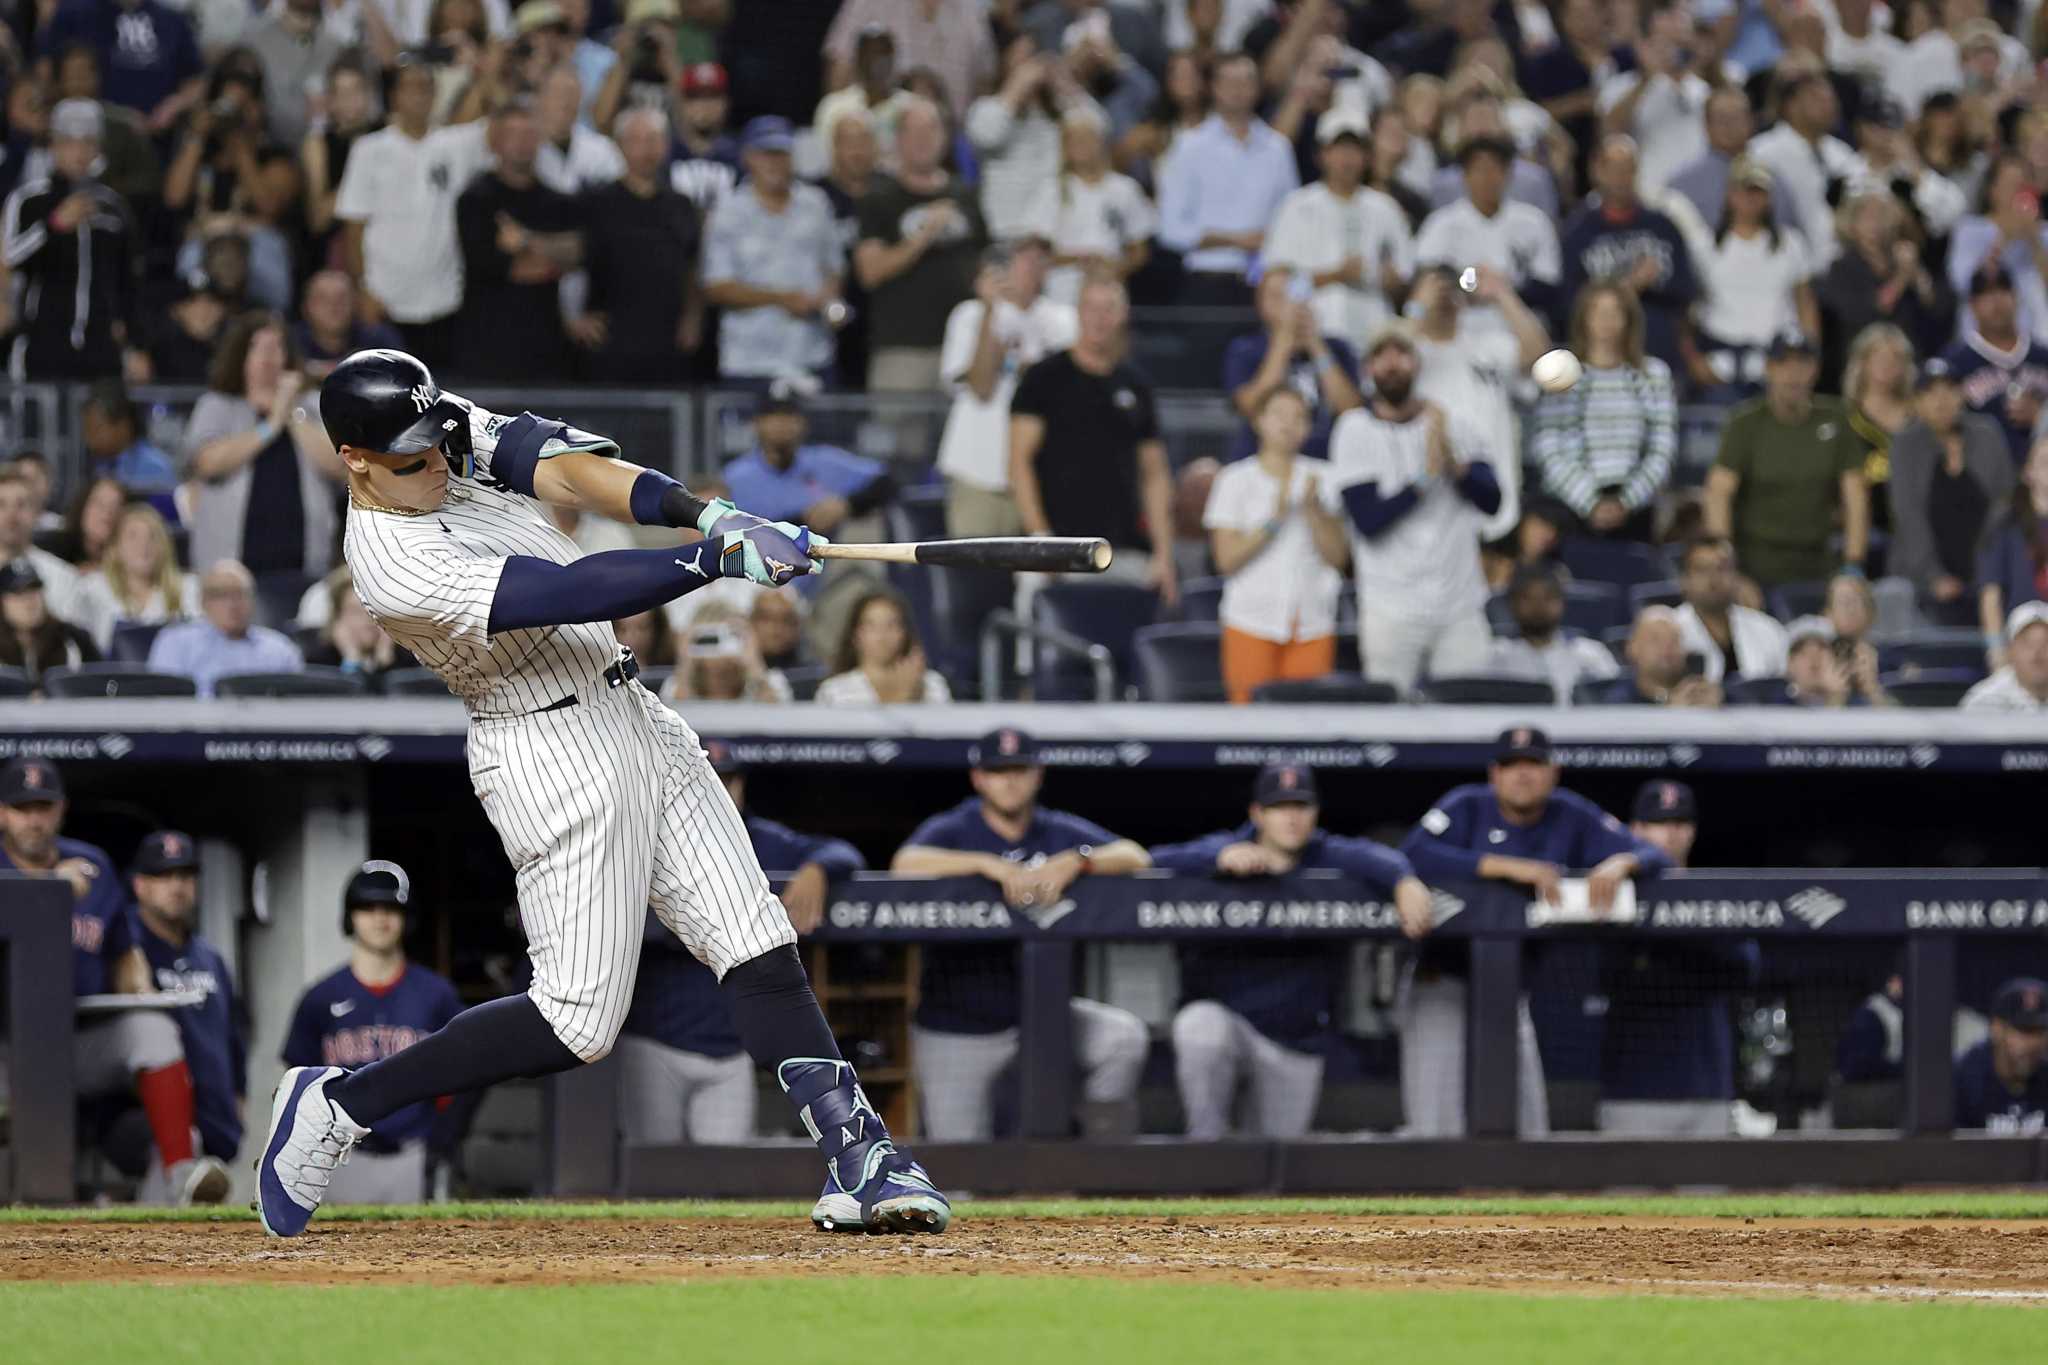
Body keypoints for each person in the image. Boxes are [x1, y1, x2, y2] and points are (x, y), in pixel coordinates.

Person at [258, 348, 951, 1241]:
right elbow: (571, 590)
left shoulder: (435, 428)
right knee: (577, 1021)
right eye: (410, 458)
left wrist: (713, 513)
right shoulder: (392, 564)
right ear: (354, 458)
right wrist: (716, 560)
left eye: (437, 442)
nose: (436, 462)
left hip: (632, 709)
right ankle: (342, 1099)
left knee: (756, 939)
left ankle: (862, 1157)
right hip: (544, 745)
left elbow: (576, 472)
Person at [1400, 727, 1670, 1136]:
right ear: (1494, 774)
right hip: (1444, 977)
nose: (1522, 775)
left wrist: (1622, 863)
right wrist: (1508, 867)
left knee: (1524, 1119)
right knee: (1435, 1119)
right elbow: (1414, 852)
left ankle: (1515, 1196)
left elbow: (1655, 854)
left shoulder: (1570, 814)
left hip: (1510, 987)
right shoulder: (1466, 805)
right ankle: (1436, 1195)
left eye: (1533, 764)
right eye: (1511, 765)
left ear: (1554, 772)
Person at [890, 726, 1152, 1139]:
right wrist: (985, 864)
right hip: (958, 1024)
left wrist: (1077, 861)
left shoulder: (1056, 831)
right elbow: (904, 863)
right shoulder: (956, 829)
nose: (1009, 780)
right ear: (979, 778)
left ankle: (1097, 1161)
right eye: (998, 771)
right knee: (959, 1166)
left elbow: (1135, 855)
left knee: (1121, 1038)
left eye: (1019, 769)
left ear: (1038, 775)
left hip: (1043, 1015)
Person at [1151, 763, 1431, 1139]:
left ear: (1315, 812)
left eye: (1300, 806)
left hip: (1295, 1040)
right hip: (1230, 1024)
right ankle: (1206, 1146)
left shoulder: (1328, 855)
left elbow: (1377, 858)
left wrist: (1405, 881)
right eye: (1280, 807)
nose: (1292, 817)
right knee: (1199, 1026)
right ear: (1257, 813)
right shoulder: (1223, 848)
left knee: (1276, 1165)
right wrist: (1216, 860)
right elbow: (1152, 861)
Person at [0, 770, 228, 1205]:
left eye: (43, 808)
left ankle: (181, 1174)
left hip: (78, 1038)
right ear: (2, 814)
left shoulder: (95, 865)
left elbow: (122, 949)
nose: (34, 820)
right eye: (21, 809)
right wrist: (49, 889)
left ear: (61, 810)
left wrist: (138, 986)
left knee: (152, 1030)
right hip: (7, 1047)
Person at [620, 743, 865, 1143]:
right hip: (653, 1043)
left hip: (731, 1051)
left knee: (725, 1182)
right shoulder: (647, 835)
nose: (721, 787)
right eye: (710, 778)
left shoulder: (763, 839)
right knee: (649, 1174)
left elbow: (844, 851)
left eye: (729, 779)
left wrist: (817, 869)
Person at [1322, 322, 1499, 696]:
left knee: (1468, 719)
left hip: (1459, 606)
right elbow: (1369, 520)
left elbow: (1492, 501)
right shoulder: (1355, 429)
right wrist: (1425, 478)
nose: (1392, 365)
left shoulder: (1454, 423)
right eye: (1381, 356)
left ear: (1417, 364)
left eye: (1401, 354)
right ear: (1367, 368)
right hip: (1390, 608)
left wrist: (1454, 464)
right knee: (1387, 725)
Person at [281, 862, 461, 1205]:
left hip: (412, 1154)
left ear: (407, 916)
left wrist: (443, 1137)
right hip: (339, 1159)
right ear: (350, 917)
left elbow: (461, 1078)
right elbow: (298, 1085)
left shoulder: (437, 995)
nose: (381, 918)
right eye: (368, 907)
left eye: (391, 908)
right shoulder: (320, 998)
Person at [1599, 781, 1758, 1136]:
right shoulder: (1613, 897)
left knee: (1708, 1191)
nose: (1671, 833)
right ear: (1636, 829)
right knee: (1630, 1193)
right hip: (1633, 1090)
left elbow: (1747, 967)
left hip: (1707, 1086)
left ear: (1693, 831)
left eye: (1680, 823)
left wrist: (1679, 935)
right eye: (1659, 822)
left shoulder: (1714, 900)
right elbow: (1605, 972)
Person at [1010, 273, 1178, 603]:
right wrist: (1040, 537)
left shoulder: (1135, 384)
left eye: (1109, 309)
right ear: (1078, 312)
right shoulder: (1044, 377)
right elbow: (1018, 462)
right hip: (1055, 547)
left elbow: (1155, 474)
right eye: (1091, 308)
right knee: (1038, 645)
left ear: (1123, 315)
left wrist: (1164, 555)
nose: (1099, 319)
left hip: (1123, 550)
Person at [182, 313, 343, 625]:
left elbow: (338, 464)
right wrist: (270, 426)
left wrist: (290, 413)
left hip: (305, 570)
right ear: (241, 356)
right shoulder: (217, 406)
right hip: (232, 576)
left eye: (277, 347)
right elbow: (208, 463)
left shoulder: (310, 406)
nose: (268, 357)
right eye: (258, 347)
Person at [333, 58, 490, 369]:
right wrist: (362, 289)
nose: (420, 94)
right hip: (385, 300)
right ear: (394, 96)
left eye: (427, 87)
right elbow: (353, 227)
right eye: (412, 87)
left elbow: (491, 110)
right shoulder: (369, 149)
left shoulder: (455, 145)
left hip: (445, 299)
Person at [1204, 388, 1349, 703]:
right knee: (1248, 726)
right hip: (1251, 620)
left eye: (1299, 417)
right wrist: (1273, 520)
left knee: (1308, 729)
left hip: (1312, 621)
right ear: (1259, 421)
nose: (1289, 424)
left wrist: (1314, 511)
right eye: (1279, 415)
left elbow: (1339, 558)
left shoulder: (1325, 477)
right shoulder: (1235, 479)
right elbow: (1225, 560)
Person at [128, 829, 245, 1194]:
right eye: (163, 877)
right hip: (149, 1128)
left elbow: (232, 1037)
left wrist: (237, 1102)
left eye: (184, 876)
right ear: (140, 885)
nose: (176, 887)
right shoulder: (127, 948)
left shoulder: (209, 957)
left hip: (213, 1125)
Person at [1704, 332, 1870, 590]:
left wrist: (1853, 564)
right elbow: (1718, 492)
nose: (1794, 374)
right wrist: (1728, 567)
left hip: (1818, 565)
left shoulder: (1836, 419)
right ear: (1769, 369)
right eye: (1784, 365)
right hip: (1754, 567)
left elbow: (1856, 496)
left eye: (1802, 364)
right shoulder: (1744, 423)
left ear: (1815, 369)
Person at [937, 239, 1076, 539]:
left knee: (1035, 573)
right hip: (977, 467)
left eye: (1039, 260)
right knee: (972, 570)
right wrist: (991, 312)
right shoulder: (969, 316)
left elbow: (1064, 393)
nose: (1032, 268)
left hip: (1040, 473)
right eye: (1023, 259)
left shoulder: (1063, 320)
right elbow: (980, 387)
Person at [2, 98, 144, 381]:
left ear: (98, 148)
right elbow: (10, 259)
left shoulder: (113, 206)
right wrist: (54, 225)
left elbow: (127, 282)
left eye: (88, 142)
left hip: (101, 348)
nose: (78, 152)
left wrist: (136, 344)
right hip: (41, 345)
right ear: (53, 145)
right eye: (69, 142)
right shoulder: (28, 200)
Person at [854, 94, 987, 393]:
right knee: (900, 439)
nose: (923, 140)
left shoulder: (966, 194)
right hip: (903, 349)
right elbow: (870, 272)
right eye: (913, 132)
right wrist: (925, 233)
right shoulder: (878, 198)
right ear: (898, 139)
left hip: (962, 347)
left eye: (931, 130)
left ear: (944, 137)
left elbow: (984, 261)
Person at [699, 115, 843, 387]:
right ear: (748, 157)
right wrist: (781, 298)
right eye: (766, 154)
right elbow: (716, 286)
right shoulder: (728, 211)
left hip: (812, 354)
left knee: (821, 431)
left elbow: (833, 267)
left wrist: (828, 296)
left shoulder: (816, 203)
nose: (775, 163)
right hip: (749, 360)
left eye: (781, 154)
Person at [1408, 263, 1548, 542]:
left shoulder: (1488, 346)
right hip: (1430, 506)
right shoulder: (1408, 352)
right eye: (1435, 289)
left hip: (1495, 495)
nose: (1444, 296)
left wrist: (1503, 295)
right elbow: (1383, 365)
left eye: (1450, 288)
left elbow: (1539, 356)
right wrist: (1418, 307)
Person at [1258, 107, 1412, 353]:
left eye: (1355, 149)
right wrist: (1335, 274)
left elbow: (1405, 282)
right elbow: (1275, 285)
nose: (1347, 158)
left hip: (1375, 339)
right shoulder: (1296, 207)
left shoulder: (1386, 209)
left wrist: (1390, 280)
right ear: (1322, 155)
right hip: (1314, 333)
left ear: (1367, 156)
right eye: (1339, 148)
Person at [1532, 282, 1678, 540]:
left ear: (1628, 320)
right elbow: (1548, 447)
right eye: (1597, 311)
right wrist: (1589, 501)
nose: (1605, 321)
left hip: (1637, 510)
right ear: (1583, 318)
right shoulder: (1562, 375)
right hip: (1573, 508)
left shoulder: (1654, 375)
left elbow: (1662, 448)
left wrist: (1627, 501)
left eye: (1615, 312)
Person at [1155, 52, 1299, 307]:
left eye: (1245, 82)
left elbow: (1291, 218)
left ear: (1257, 88)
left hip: (1264, 283)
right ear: (1215, 88)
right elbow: (1171, 230)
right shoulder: (1189, 147)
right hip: (1206, 281)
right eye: (1230, 83)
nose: (1238, 91)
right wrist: (1236, 240)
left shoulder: (1278, 149)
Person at [452, 97, 580, 382]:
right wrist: (551, 256)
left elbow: (577, 254)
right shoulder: (476, 200)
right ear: (495, 142)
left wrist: (526, 242)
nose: (522, 143)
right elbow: (496, 267)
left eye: (529, 134)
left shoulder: (558, 202)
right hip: (489, 346)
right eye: (513, 135)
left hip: (547, 347)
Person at [577, 106, 702, 385]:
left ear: (666, 145)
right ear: (620, 146)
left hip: (668, 340)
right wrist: (572, 317)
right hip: (612, 340)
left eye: (653, 139)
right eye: (636, 140)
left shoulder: (681, 205)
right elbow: (573, 263)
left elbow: (693, 264)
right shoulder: (597, 203)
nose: (645, 150)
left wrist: (693, 316)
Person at [1559, 135, 1699, 375]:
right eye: (1613, 168)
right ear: (1596, 171)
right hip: (1601, 356)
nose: (1621, 177)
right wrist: (1631, 284)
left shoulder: (1662, 226)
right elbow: (1570, 304)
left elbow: (1686, 292)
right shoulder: (1577, 232)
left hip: (1660, 350)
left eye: (1628, 169)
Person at [1889, 358, 2013, 626]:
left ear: (1962, 395)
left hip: (1984, 573)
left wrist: (1988, 571)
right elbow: (1908, 516)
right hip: (1923, 579)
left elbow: (2004, 503)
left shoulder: (1987, 433)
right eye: (1930, 392)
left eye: (1949, 389)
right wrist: (1933, 576)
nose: (1941, 400)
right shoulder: (1905, 444)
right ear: (1917, 401)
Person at [1686, 159, 1819, 396]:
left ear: (1768, 198)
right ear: (1730, 195)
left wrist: (1810, 356)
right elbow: (1687, 309)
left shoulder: (1791, 244)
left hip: (1778, 359)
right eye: (1744, 191)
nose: (1750, 199)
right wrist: (1694, 360)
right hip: (1719, 355)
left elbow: (1805, 303)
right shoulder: (1704, 245)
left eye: (1758, 192)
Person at [722, 386, 893, 567]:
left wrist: (846, 505)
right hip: (761, 574)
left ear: (803, 423)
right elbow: (729, 535)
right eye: (772, 415)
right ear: (755, 424)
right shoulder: (734, 477)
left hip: (824, 576)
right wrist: (805, 520)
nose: (781, 423)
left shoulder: (825, 460)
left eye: (789, 415)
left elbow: (886, 482)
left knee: (866, 525)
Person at [1412, 135, 1561, 336]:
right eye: (1479, 170)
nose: (1487, 178)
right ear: (1465, 175)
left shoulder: (1534, 222)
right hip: (1458, 330)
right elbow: (1427, 276)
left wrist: (1502, 288)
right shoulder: (1442, 222)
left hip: (1521, 329)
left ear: (1508, 174)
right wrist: (1471, 281)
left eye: (1494, 169)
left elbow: (1548, 284)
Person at [1220, 267, 1364, 464]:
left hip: (1327, 460)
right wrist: (1283, 343)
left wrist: (1316, 346)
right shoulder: (1245, 349)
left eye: (1293, 294)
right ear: (1261, 303)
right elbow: (1250, 407)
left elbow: (1351, 411)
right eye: (1277, 296)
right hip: (1260, 463)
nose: (1288, 304)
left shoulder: (1336, 347)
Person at [968, 34, 1104, 241]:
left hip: (1056, 231)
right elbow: (987, 135)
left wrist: (1065, 83)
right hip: (1009, 230)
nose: (1028, 68)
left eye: (1032, 58)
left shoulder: (1057, 115)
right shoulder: (986, 107)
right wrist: (1016, 89)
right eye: (1018, 60)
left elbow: (1098, 130)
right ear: (1004, 65)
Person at [1817, 189, 1951, 395]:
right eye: (1867, 217)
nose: (1875, 223)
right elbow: (1869, 311)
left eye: (1881, 215)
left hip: (1910, 365)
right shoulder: (1842, 268)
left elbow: (1938, 308)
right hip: (1864, 369)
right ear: (1852, 224)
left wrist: (1918, 276)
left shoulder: (1906, 260)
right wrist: (1902, 278)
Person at [1022, 105, 1154, 307]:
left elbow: (1140, 250)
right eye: (1073, 140)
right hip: (1062, 295)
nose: (1080, 146)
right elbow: (1036, 251)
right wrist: (1079, 260)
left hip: (1110, 292)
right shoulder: (1051, 191)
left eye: (1086, 138)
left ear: (1101, 141)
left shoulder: (1124, 189)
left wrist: (1117, 267)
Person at [1745, 71, 1864, 272]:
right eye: (1817, 99)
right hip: (1785, 264)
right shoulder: (1763, 152)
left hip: (1839, 267)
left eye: (1831, 100)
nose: (1829, 106)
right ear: (1790, 106)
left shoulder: (1842, 154)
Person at [822, 0, 995, 125]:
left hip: (951, 146)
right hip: (876, 142)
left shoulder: (972, 9)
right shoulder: (868, 4)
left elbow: (984, 86)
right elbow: (839, 71)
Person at [38, 0, 202, 132]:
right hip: (86, 141)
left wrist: (174, 105)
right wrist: (114, 117)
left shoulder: (174, 21)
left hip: (160, 144)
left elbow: (196, 81)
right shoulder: (72, 13)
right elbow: (45, 76)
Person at [1942, 263, 2048, 464]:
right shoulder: (1954, 363)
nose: (1996, 301)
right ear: (1972, 305)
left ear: (2015, 297)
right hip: (1984, 475)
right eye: (1986, 294)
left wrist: (2041, 417)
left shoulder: (2043, 356)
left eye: (2002, 290)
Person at [146, 559, 303, 695]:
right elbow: (163, 703)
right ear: (203, 602)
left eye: (240, 594)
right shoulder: (175, 643)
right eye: (220, 594)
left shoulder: (280, 650)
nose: (232, 604)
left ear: (253, 601)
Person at [1486, 561, 1620, 702]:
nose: (1538, 607)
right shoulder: (1495, 657)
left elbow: (1615, 704)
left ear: (1562, 602)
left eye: (1548, 598)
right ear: (1512, 604)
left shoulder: (1590, 655)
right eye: (1528, 599)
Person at [69, 503, 195, 651]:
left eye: (153, 537)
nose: (144, 545)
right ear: (116, 548)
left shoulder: (188, 588)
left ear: (164, 546)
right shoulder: (93, 589)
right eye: (132, 536)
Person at [1669, 537, 1789, 684]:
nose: (1713, 579)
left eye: (1722, 568)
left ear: (1736, 576)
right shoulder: (1670, 629)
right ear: (1685, 580)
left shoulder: (1767, 629)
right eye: (1702, 570)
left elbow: (1787, 687)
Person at [1977, 437, 2048, 667]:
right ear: (2029, 473)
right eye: (2046, 462)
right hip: (2020, 641)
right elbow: (1991, 592)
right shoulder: (2006, 523)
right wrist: (1996, 647)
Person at [814, 587, 950, 704]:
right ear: (855, 635)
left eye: (891, 625)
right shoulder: (834, 691)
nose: (882, 635)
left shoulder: (932, 684)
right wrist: (905, 696)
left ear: (905, 632)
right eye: (872, 626)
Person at [1952, 977, 2048, 1131]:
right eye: (2023, 1030)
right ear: (1996, 1028)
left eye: (2040, 1032)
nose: (2033, 1043)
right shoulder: (1961, 1078)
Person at [305, 567, 414, 686]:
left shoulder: (411, 657)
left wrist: (385, 660)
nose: (368, 620)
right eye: (356, 612)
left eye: (374, 611)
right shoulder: (319, 660)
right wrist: (351, 660)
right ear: (338, 616)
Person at [0, 559, 98, 686]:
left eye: (34, 590)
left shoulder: (73, 637)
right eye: (19, 593)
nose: (29, 601)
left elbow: (100, 686)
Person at [1601, 604, 1723, 706]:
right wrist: (1673, 715)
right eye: (1655, 639)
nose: (1667, 647)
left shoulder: (1698, 692)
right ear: (1632, 648)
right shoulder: (1619, 703)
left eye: (1675, 640)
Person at [292, 271, 404, 381]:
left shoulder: (378, 338)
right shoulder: (289, 342)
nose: (333, 306)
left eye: (342, 298)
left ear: (355, 304)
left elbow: (404, 377)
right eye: (323, 299)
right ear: (305, 307)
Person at [0, 469, 81, 621]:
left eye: (21, 504)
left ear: (37, 513)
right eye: (1, 504)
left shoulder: (64, 578)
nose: (11, 515)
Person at [1962, 601, 2048, 711]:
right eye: (2027, 643)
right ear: (2010, 651)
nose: (2037, 653)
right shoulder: (1985, 701)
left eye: (2046, 643)